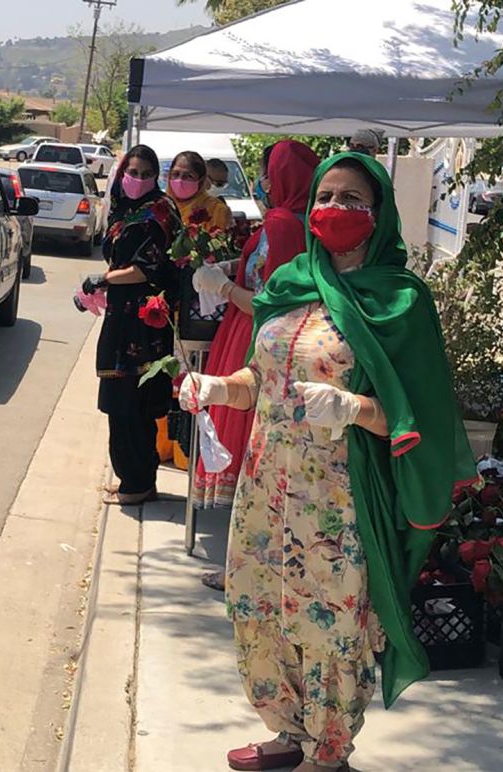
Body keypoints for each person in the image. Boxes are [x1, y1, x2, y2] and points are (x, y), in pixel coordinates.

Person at [180, 153, 476, 772]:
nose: (335, 209)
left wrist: (352, 406)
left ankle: (329, 750)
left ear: (379, 214)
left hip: (340, 496)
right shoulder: (290, 283)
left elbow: (415, 410)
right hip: (266, 487)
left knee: (332, 622)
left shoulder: (399, 300)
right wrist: (217, 387)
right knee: (259, 607)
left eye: (352, 200)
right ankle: (288, 732)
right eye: (326, 196)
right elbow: (260, 381)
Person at [189, 140, 321, 592]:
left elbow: (266, 300)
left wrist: (225, 288)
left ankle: (246, 569)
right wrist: (232, 267)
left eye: (268, 172)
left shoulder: (283, 224)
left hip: (252, 336)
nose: (263, 181)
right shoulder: (300, 225)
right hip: (261, 335)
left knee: (253, 454)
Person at [83, 145, 182, 505]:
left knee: (133, 402)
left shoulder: (158, 211)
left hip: (145, 320)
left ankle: (137, 483)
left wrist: (103, 280)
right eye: (133, 172)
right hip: (122, 314)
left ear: (156, 177)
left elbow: (147, 268)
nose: (137, 179)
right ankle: (132, 479)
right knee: (117, 401)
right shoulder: (125, 210)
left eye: (145, 174)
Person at [167, 151, 234, 232]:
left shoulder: (218, 210)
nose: (180, 180)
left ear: (201, 181)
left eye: (189, 176)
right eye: (176, 174)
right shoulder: (161, 206)